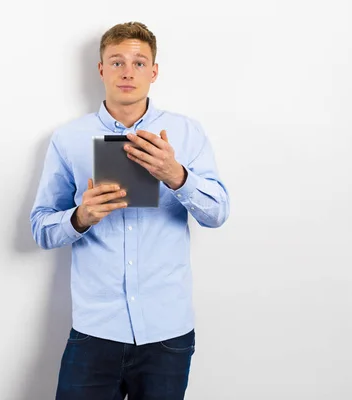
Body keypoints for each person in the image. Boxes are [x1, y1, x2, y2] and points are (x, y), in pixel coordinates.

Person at [29, 21, 230, 400]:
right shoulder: (69, 138)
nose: (127, 71)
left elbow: (217, 212)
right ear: (101, 69)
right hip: (95, 331)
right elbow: (41, 227)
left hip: (167, 334)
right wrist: (79, 217)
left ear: (154, 72)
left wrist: (177, 176)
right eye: (116, 61)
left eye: (139, 63)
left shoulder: (186, 133)